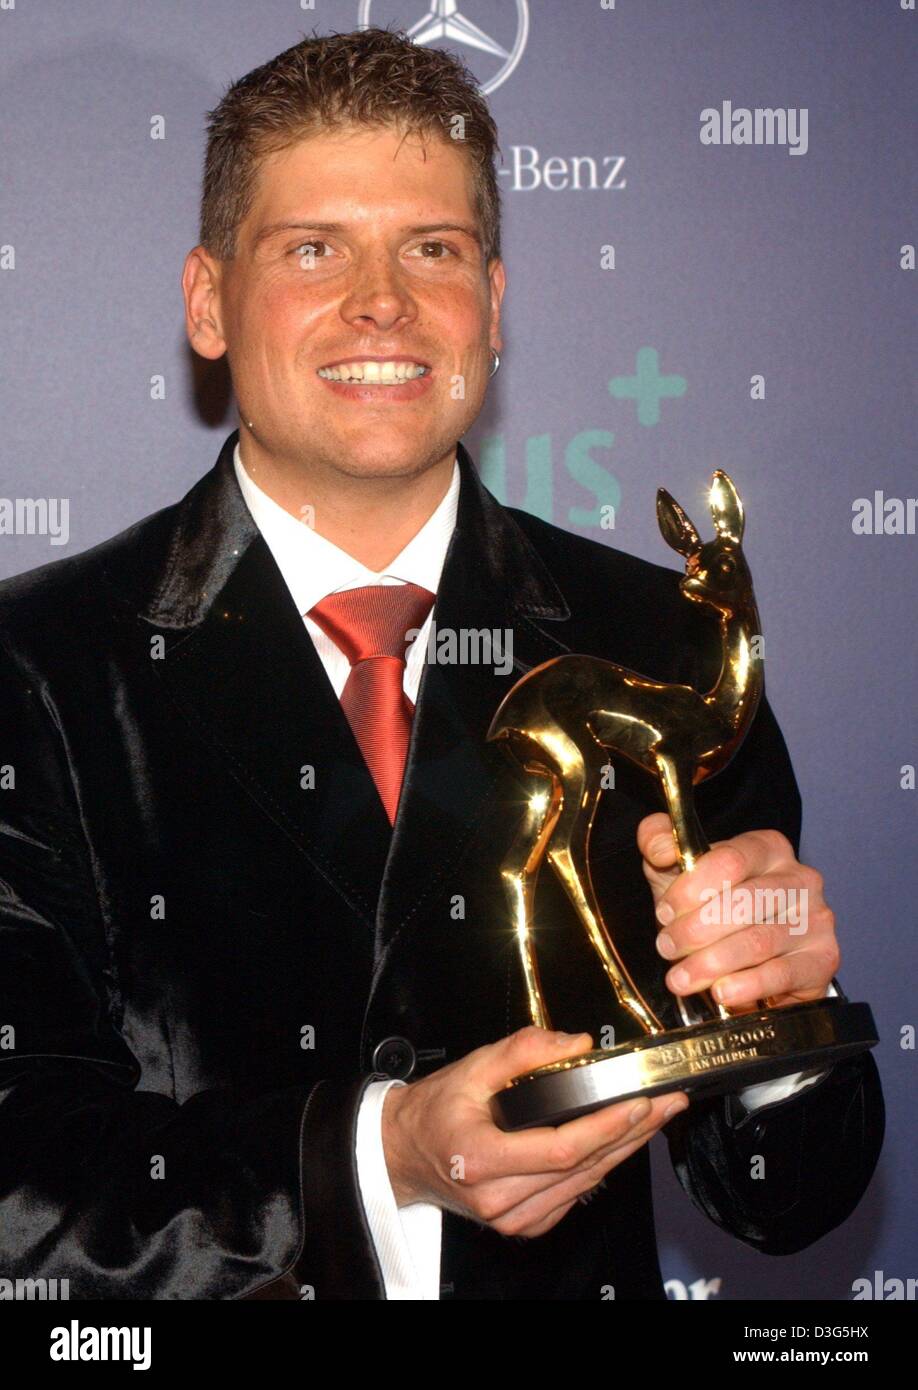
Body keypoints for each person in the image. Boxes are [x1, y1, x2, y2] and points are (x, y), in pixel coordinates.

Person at [0, 29, 883, 1301]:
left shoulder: (659, 639)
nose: (383, 302)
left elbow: (787, 1195)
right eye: (314, 249)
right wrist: (377, 1158)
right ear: (208, 302)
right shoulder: (36, 667)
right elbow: (18, 1186)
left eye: (433, 248)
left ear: (494, 304)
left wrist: (783, 1030)